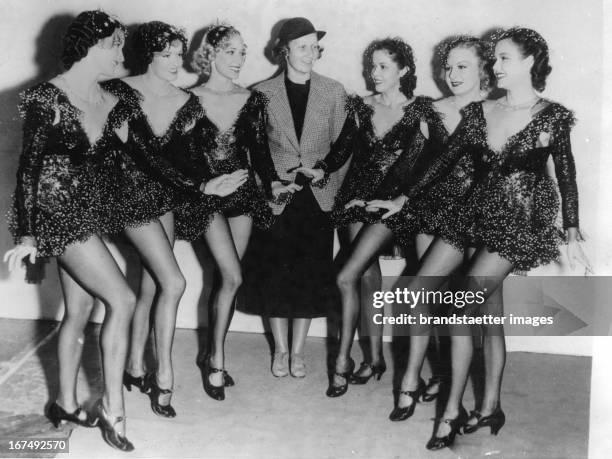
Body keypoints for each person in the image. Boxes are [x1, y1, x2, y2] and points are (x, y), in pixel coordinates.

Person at [393, 28, 590, 450]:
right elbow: (447, 160)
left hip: (519, 222)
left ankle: (450, 412)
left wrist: (571, 228)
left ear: (529, 62)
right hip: (473, 210)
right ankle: (489, 407)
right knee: (425, 292)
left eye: (503, 59)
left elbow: (567, 175)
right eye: (495, 59)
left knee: (463, 306)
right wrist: (404, 198)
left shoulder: (551, 116)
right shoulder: (483, 110)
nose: (494, 66)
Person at [4, 11, 136, 452]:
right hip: (60, 214)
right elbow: (29, 169)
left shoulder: (109, 97)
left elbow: (129, 159)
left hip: (90, 213)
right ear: (93, 46)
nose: (122, 52)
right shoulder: (48, 97)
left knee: (77, 313)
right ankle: (113, 409)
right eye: (116, 44)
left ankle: (64, 402)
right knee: (123, 299)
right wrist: (26, 235)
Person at [296, 37, 446, 397]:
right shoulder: (360, 107)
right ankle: (374, 358)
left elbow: (442, 159)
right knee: (365, 281)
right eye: (371, 65)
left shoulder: (422, 111)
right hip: (355, 199)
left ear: (403, 70)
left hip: (391, 206)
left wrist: (409, 197)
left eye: (382, 66)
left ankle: (341, 362)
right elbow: (343, 149)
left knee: (345, 275)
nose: (374, 73)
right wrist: (320, 170)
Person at [118, 21, 247, 416]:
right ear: (149, 56)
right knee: (171, 282)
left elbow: (189, 157)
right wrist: (201, 187)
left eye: (178, 53)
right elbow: (139, 156)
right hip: (131, 196)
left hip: (168, 198)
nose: (176, 61)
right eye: (167, 54)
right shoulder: (120, 92)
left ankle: (137, 366)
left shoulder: (186, 101)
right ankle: (164, 376)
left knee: (155, 284)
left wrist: (211, 180)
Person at [175, 24, 293, 400]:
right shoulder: (186, 99)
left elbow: (259, 152)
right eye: (230, 51)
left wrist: (273, 182)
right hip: (207, 199)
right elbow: (177, 159)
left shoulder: (252, 99)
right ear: (210, 54)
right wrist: (204, 185)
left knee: (231, 279)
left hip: (242, 197)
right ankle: (217, 362)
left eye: (243, 52)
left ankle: (212, 353)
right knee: (228, 272)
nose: (239, 59)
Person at [389, 35, 500, 418]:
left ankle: (452, 383)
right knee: (424, 298)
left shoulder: (497, 112)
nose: (451, 74)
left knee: (464, 307)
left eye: (462, 66)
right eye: (447, 66)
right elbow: (410, 164)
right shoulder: (430, 110)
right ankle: (410, 380)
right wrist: (389, 199)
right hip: (431, 212)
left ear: (483, 68)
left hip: (477, 218)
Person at [240, 17, 348, 379]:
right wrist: (270, 181)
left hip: (316, 197)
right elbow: (256, 145)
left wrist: (325, 168)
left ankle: (299, 351)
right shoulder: (262, 93)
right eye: (303, 46)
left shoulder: (333, 91)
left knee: (308, 275)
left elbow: (345, 141)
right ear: (284, 50)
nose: (310, 53)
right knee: (274, 274)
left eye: (315, 46)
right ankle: (280, 351)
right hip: (277, 196)